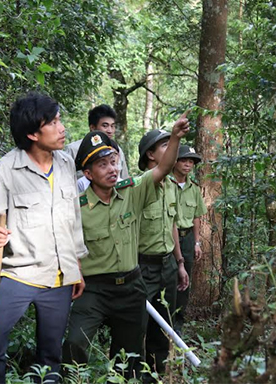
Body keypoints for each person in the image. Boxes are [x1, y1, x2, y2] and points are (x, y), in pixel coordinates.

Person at [63, 111, 189, 380]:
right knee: (74, 342)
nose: (111, 169)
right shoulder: (76, 206)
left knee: (129, 356)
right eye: (102, 165)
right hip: (93, 289)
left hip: (131, 286)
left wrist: (175, 137)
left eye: (113, 162)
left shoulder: (132, 191)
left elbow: (162, 168)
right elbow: (65, 245)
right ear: (87, 173)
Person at [0, 93, 88, 383]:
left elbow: (72, 219)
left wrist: (76, 267)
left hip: (60, 277)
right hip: (19, 273)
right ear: (32, 133)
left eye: (60, 120)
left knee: (51, 354)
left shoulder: (65, 164)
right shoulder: (7, 169)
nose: (61, 128)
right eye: (52, 123)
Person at [137, 130, 190, 377]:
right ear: (150, 154)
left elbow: (172, 226)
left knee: (163, 325)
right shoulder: (139, 186)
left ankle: (156, 375)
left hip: (167, 264)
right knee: (137, 325)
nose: (172, 151)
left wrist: (179, 264)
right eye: (165, 146)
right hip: (142, 266)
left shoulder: (171, 187)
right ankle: (133, 374)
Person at [172, 145, 205, 334]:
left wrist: (197, 242)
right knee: (169, 278)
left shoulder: (194, 189)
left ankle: (178, 324)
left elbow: (196, 217)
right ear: (175, 161)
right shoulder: (166, 183)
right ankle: (164, 321)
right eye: (184, 160)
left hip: (187, 238)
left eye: (191, 161)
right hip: (168, 239)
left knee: (184, 281)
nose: (187, 164)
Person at [65, 104, 129, 192]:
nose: (110, 131)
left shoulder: (117, 150)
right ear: (92, 128)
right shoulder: (73, 149)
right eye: (105, 126)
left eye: (112, 126)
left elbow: (124, 180)